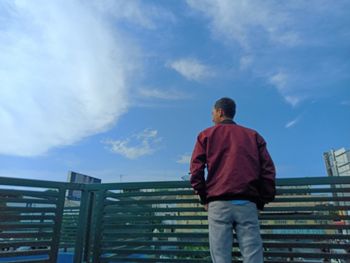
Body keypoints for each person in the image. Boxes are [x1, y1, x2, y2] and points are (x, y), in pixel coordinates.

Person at [190, 97, 276, 263]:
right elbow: (268, 170)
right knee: (253, 257)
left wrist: (203, 197)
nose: (211, 117)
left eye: (212, 113)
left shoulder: (205, 135)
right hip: (247, 203)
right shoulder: (253, 135)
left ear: (220, 112)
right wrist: (262, 201)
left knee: (220, 257)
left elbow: (196, 171)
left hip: (218, 204)